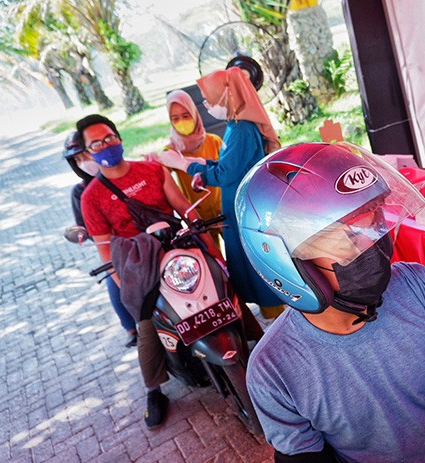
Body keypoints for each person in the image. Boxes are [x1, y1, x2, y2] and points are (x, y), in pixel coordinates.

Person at [235, 142, 425, 462]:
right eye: (347, 237)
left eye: (374, 224)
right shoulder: (274, 369)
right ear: (285, 262)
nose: (371, 246)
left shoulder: (413, 284)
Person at [77, 113, 212, 429]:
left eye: (109, 137)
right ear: (88, 153)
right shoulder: (91, 198)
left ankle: (255, 342)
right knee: (147, 324)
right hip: (138, 265)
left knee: (221, 286)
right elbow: (106, 251)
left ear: (120, 138)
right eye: (96, 143)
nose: (105, 145)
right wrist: (128, 286)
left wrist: (210, 247)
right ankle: (154, 389)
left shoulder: (152, 170)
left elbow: (185, 209)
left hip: (178, 250)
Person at [150, 67, 285, 320]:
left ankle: (278, 316)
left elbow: (226, 174)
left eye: (208, 99)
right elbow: (228, 164)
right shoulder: (234, 126)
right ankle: (270, 314)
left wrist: (186, 165)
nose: (207, 105)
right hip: (235, 205)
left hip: (242, 205)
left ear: (226, 95)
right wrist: (204, 165)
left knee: (254, 264)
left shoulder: (242, 129)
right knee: (244, 263)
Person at [62, 131, 138, 348]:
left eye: (85, 155)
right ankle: (132, 328)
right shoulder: (81, 193)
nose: (84, 162)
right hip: (117, 248)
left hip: (149, 235)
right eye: (78, 160)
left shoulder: (129, 173)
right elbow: (86, 228)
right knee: (113, 276)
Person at [162, 90, 224, 245]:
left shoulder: (214, 141)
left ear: (195, 114)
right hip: (198, 217)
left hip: (224, 209)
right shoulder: (171, 151)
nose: (182, 122)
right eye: (175, 118)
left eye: (186, 115)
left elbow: (226, 170)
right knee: (212, 255)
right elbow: (159, 175)